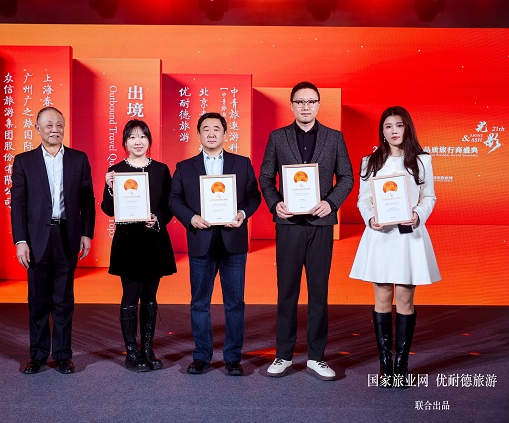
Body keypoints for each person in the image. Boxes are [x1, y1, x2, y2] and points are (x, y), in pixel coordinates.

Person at [259, 81, 353, 380]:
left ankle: (316, 357)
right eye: (300, 102)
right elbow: (265, 176)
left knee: (318, 292)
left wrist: (331, 203)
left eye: (311, 101)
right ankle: (284, 355)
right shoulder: (278, 137)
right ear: (291, 105)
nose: (305, 107)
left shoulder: (334, 138)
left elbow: (347, 177)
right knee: (287, 291)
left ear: (318, 105)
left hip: (320, 224)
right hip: (289, 224)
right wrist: (275, 203)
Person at [350, 106, 440, 388]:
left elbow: (429, 197)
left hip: (408, 237)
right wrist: (370, 218)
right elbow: (363, 199)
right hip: (381, 237)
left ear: (407, 128)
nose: (394, 131)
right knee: (381, 299)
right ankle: (384, 364)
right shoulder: (370, 162)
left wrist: (418, 214)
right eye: (388, 126)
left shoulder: (421, 161)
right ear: (382, 131)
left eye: (399, 125)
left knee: (405, 300)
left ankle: (401, 364)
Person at [169, 112, 261, 376]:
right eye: (206, 129)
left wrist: (242, 214)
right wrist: (191, 218)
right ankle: (201, 356)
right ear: (198, 134)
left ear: (225, 134)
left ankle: (232, 357)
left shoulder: (242, 163)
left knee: (235, 302)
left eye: (216, 129)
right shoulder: (185, 167)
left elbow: (253, 196)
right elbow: (174, 199)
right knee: (200, 302)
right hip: (201, 241)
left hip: (233, 242)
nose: (211, 133)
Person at [11, 106, 96, 375]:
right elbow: (18, 204)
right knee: (38, 300)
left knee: (63, 299)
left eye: (59, 124)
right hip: (36, 239)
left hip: (66, 236)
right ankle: (37, 355)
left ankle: (62, 355)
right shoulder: (24, 161)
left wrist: (86, 233)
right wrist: (20, 240)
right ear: (37, 128)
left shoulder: (78, 159)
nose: (55, 129)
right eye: (48, 125)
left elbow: (87, 200)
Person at [101, 119, 177, 372]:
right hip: (128, 240)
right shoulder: (116, 171)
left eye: (142, 137)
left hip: (153, 238)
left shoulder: (161, 170)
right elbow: (108, 209)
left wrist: (158, 218)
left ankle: (147, 348)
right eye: (132, 137)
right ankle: (131, 351)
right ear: (125, 143)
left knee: (151, 296)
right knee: (131, 293)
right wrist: (110, 188)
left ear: (149, 141)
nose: (138, 142)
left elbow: (169, 205)